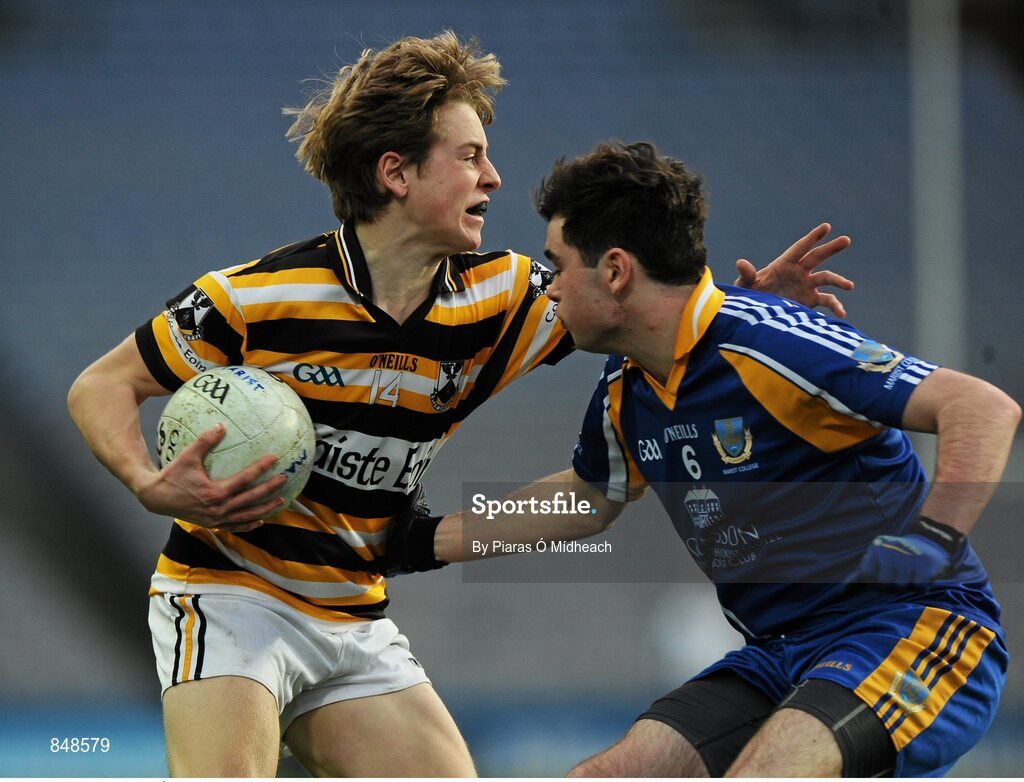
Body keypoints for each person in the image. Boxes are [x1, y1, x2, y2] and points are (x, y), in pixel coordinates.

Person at [67, 32, 854, 777]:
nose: (494, 178)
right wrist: (146, 479)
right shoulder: (255, 299)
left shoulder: (505, 297)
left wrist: (734, 317)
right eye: (470, 156)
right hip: (230, 594)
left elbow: (629, 308)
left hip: (354, 617)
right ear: (396, 174)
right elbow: (101, 386)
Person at [406, 141, 1020, 777]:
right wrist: (425, 541)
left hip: (913, 630)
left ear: (616, 271)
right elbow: (591, 500)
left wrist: (932, 537)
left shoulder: (773, 341)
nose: (550, 287)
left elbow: (982, 409)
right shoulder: (628, 386)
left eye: (556, 265)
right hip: (779, 657)